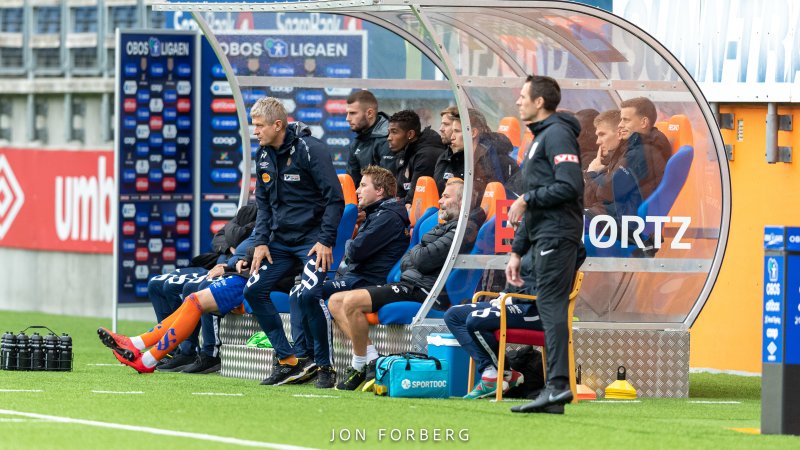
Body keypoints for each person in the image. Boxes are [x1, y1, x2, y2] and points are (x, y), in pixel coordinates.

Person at [328, 178, 478, 391]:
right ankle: (371, 360)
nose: (439, 201)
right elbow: (410, 258)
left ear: (462, 202)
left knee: (351, 301)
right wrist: (418, 252)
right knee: (335, 301)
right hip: (409, 284)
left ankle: (359, 364)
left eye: (446, 196)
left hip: (424, 292)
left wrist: (417, 252)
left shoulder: (463, 229)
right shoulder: (441, 227)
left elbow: (422, 259)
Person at [241, 97, 345, 388]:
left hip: (312, 242)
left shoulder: (312, 151)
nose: (255, 131)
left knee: (310, 294)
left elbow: (335, 200)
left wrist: (325, 240)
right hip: (280, 243)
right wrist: (261, 241)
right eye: (254, 125)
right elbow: (262, 204)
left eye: (260, 126)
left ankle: (324, 366)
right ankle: (287, 360)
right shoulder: (262, 154)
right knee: (253, 290)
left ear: (278, 125)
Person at [506, 75, 586, 414]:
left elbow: (570, 186)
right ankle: (554, 393)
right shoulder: (538, 138)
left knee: (551, 308)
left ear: (540, 102)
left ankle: (556, 386)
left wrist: (526, 198)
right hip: (543, 235)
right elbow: (537, 202)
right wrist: (516, 250)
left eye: (524, 96)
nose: (518, 101)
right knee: (548, 307)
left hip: (558, 235)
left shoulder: (556, 134)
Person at [301, 165, 409, 391]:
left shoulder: (388, 216)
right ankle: (367, 357)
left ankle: (321, 363)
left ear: (379, 191)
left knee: (313, 293)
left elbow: (355, 252)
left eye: (363, 185)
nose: (358, 191)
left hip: (368, 281)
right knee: (305, 291)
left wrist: (350, 242)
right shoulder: (378, 213)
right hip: (358, 277)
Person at [98, 247, 257, 374]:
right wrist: (234, 255)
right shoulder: (265, 214)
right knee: (190, 300)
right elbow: (230, 237)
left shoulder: (270, 216)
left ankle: (149, 356)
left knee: (194, 299)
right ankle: (138, 346)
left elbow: (256, 244)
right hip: (237, 269)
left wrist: (237, 258)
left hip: (247, 274)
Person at [146, 203, 257, 372]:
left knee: (190, 287)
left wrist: (235, 237)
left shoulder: (267, 213)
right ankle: (172, 350)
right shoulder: (248, 209)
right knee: (156, 283)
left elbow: (240, 234)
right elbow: (218, 238)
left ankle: (194, 351)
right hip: (214, 265)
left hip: (233, 270)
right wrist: (229, 246)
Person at [434, 108, 519, 197]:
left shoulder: (498, 160)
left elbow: (507, 199)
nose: (452, 137)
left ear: (473, 133)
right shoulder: (456, 159)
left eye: (457, 131)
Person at [615, 97, 672, 201]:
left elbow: (607, 192)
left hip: (623, 214)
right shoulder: (642, 145)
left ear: (644, 123)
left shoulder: (642, 152)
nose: (620, 125)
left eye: (626, 120)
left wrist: (591, 173)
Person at [388, 110, 446, 208]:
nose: (389, 137)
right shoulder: (404, 152)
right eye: (388, 132)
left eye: (394, 132)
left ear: (410, 134)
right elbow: (399, 194)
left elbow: (413, 198)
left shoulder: (427, 155)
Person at [345, 90, 394, 184]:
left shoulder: (390, 138)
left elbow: (388, 185)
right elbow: (351, 183)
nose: (347, 118)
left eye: (353, 113)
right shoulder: (357, 143)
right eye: (347, 113)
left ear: (370, 113)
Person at [583, 109, 624, 218]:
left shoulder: (627, 160)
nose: (598, 141)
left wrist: (591, 173)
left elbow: (598, 197)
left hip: (612, 224)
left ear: (619, 133)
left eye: (602, 134)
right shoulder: (611, 162)